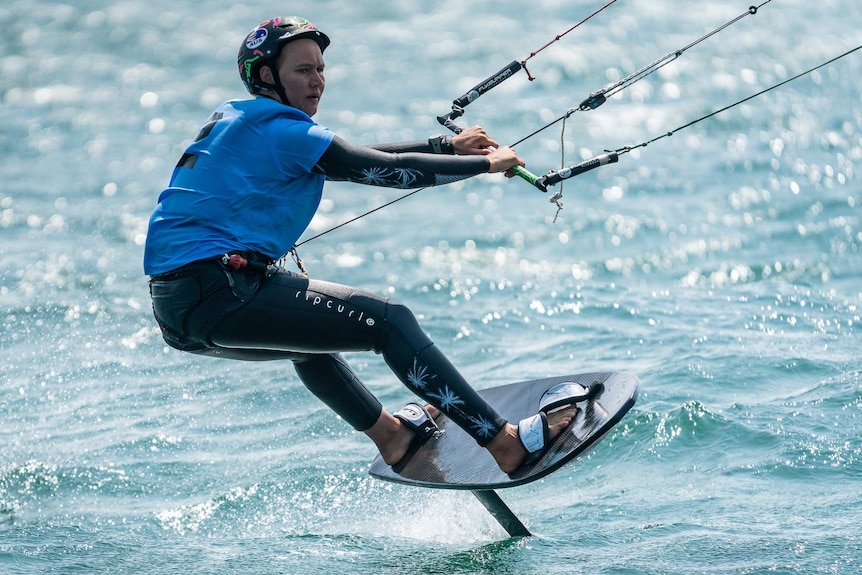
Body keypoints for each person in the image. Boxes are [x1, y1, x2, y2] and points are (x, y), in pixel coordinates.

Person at [144, 16, 580, 474]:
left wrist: (447, 147)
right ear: (268, 76)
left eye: (320, 69)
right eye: (302, 71)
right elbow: (380, 169)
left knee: (307, 341)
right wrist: (486, 165)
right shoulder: (277, 130)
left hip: (180, 309)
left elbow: (351, 155)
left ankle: (392, 437)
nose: (317, 82)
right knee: (390, 322)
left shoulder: (241, 119)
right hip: (221, 290)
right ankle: (505, 442)